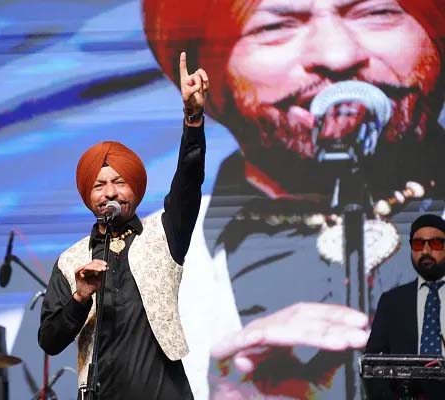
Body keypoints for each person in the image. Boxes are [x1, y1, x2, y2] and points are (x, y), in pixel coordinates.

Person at [143, 0, 445, 398]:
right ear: (208, 73)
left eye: (376, 13)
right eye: (275, 27)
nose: (338, 56)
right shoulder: (141, 268)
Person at [37, 51, 207, 399]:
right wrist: (80, 297)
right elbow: (49, 341)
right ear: (88, 195)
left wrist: (193, 118)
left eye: (119, 182)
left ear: (136, 189)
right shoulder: (71, 261)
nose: (110, 193)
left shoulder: (165, 234)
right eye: (99, 185)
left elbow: (188, 181)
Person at [365, 213, 445, 399]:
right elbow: (372, 363)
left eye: (435, 243)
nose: (425, 251)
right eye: (418, 244)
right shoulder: (392, 302)